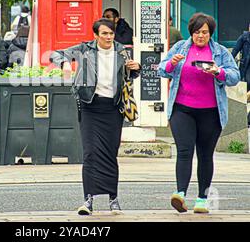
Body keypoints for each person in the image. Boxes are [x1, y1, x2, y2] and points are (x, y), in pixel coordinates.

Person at [50, 18, 140, 215]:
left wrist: (136, 69)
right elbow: (55, 54)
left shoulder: (121, 51)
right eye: (104, 34)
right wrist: (65, 63)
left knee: (110, 153)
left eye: (111, 33)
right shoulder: (85, 49)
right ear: (96, 35)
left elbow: (129, 76)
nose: (108, 37)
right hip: (91, 105)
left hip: (113, 108)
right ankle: (88, 200)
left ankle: (113, 199)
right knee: (90, 152)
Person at [158, 13, 240, 214]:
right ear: (191, 33)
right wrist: (172, 64)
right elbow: (162, 69)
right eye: (196, 32)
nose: (200, 36)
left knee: (205, 155)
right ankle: (180, 194)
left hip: (211, 112)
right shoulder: (180, 48)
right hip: (182, 109)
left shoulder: (220, 52)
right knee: (184, 151)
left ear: (210, 33)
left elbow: (234, 76)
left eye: (204, 32)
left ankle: (202, 199)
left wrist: (218, 72)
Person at [231, 24, 250, 91]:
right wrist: (230, 61)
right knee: (247, 81)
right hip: (246, 64)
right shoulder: (244, 37)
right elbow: (235, 49)